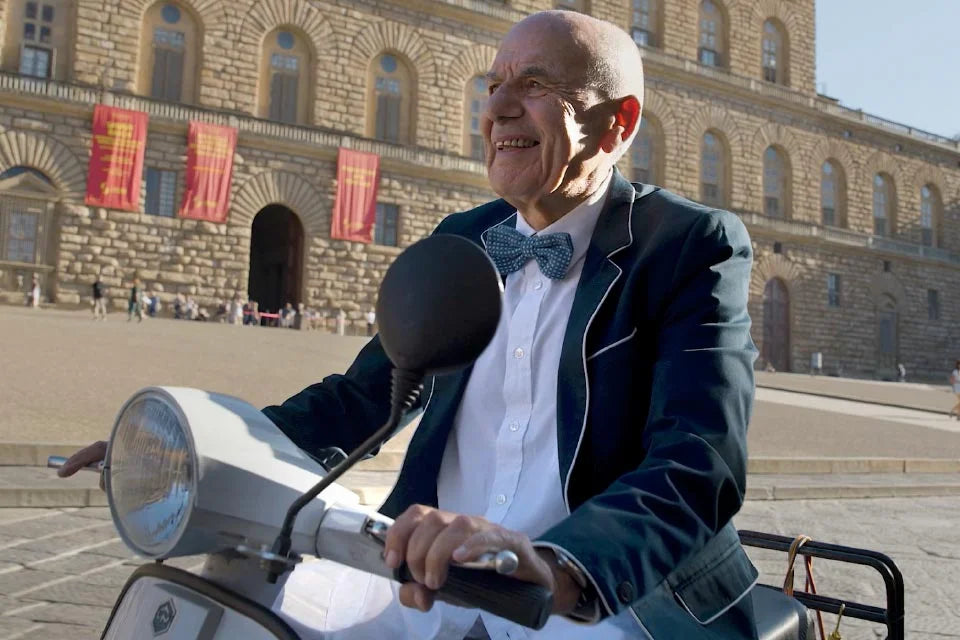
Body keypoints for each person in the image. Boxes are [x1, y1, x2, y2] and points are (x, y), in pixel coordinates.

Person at [57, 11, 758, 639]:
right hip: (431, 581)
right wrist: (184, 448)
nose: (499, 108)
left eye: (536, 85)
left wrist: (555, 565)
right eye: (493, 85)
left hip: (604, 599)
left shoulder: (690, 246)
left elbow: (697, 461)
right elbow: (362, 397)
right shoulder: (464, 239)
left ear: (618, 123)